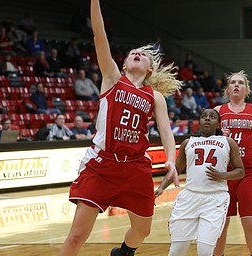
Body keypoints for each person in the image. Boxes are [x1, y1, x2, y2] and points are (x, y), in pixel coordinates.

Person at [59, 1, 181, 255]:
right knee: (77, 235)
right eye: (132, 53)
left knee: (143, 231)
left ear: (150, 68)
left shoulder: (154, 97)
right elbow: (99, 35)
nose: (137, 53)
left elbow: (167, 133)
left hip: (136, 166)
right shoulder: (112, 79)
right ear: (124, 64)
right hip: (102, 164)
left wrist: (171, 159)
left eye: (143, 54)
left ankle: (125, 251)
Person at [155, 108, 244, 256]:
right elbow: (175, 170)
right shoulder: (187, 143)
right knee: (176, 250)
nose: (207, 119)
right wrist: (161, 188)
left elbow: (240, 171)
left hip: (215, 199)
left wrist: (223, 175)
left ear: (218, 124)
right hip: (189, 197)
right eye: (204, 116)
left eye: (212, 117)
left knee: (204, 251)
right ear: (199, 122)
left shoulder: (228, 142)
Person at [213, 70, 252, 256]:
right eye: (233, 82)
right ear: (227, 89)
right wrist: (217, 136)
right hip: (223, 174)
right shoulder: (217, 112)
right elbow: (204, 139)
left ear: (246, 89)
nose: (236, 85)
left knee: (250, 222)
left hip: (249, 172)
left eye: (240, 83)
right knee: (221, 223)